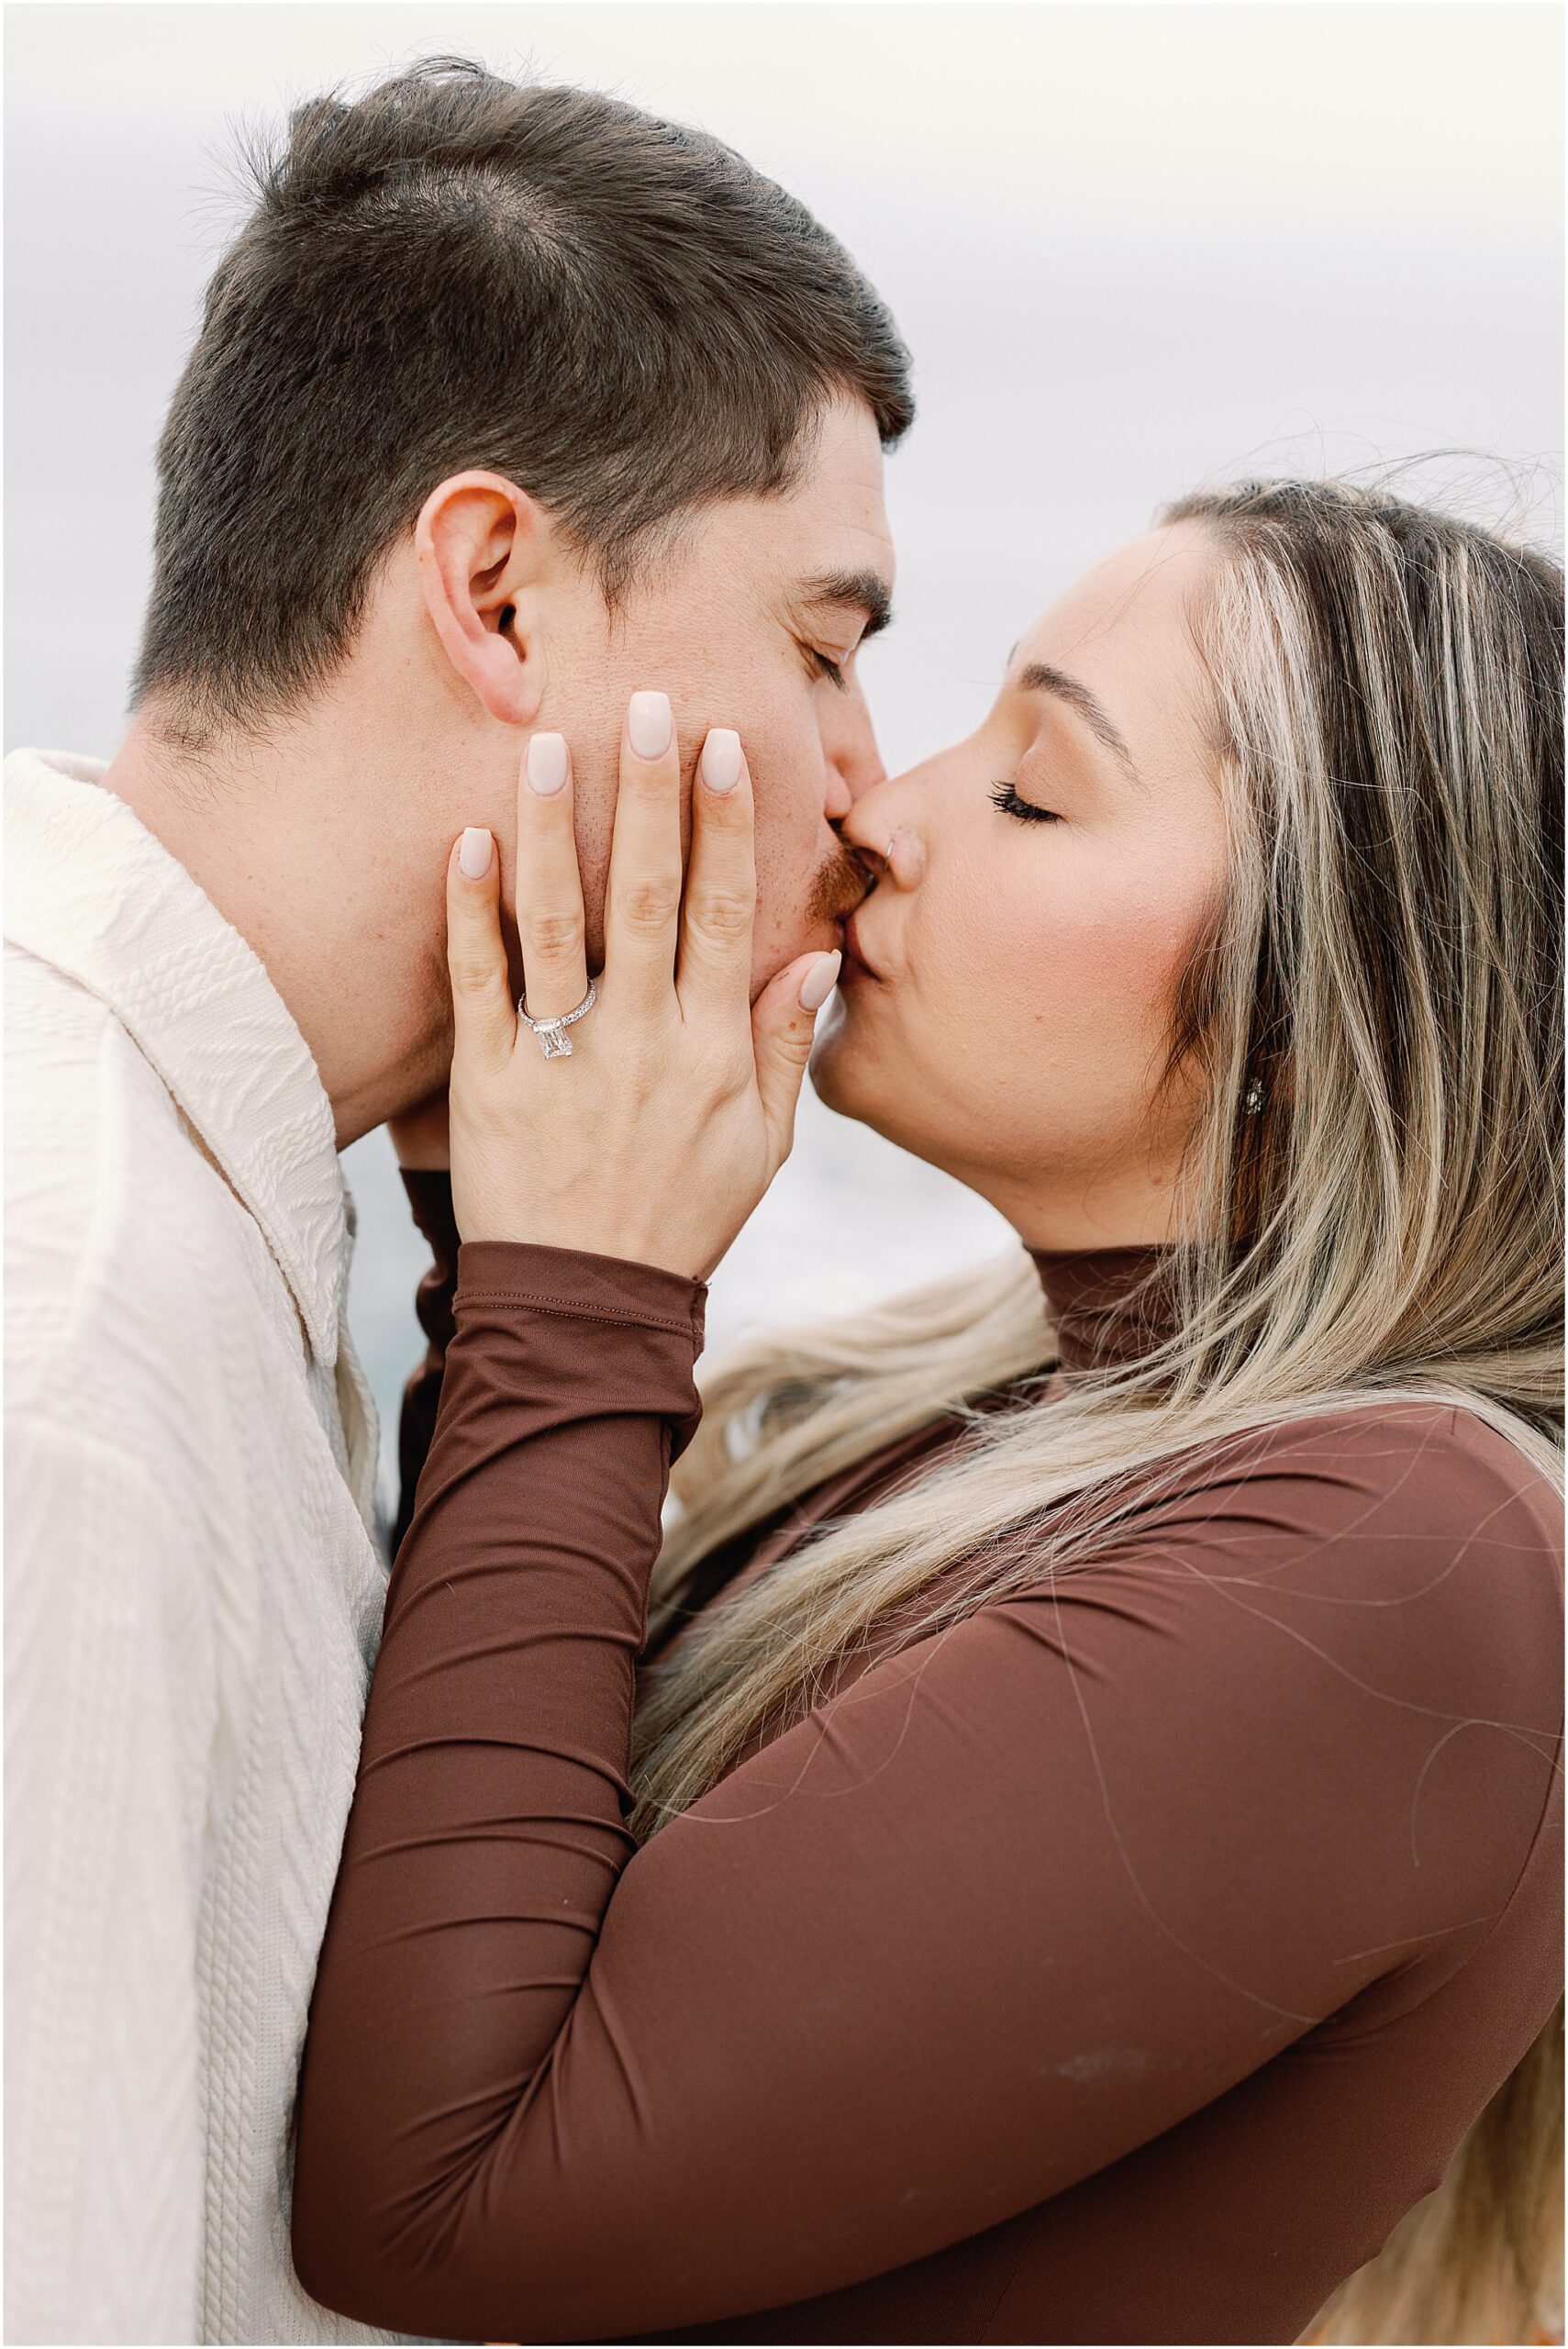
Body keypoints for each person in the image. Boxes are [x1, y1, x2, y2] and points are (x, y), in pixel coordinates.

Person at [290, 481, 1563, 2348]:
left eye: (1036, 788)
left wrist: (575, 1294)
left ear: (1301, 1025)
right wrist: (491, 1230)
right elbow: (451, 1851)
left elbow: (434, 2206)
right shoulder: (976, 1412)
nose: (882, 815)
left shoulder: (1401, 1570)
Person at [3, 58, 909, 2346]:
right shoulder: (67, 1339)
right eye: (822, 647)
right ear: (499, 589)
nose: (868, 790)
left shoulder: (197, 1187)